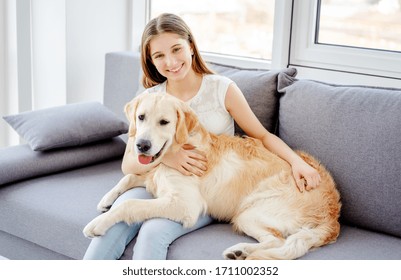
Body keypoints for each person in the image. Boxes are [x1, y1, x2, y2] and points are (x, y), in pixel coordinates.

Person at [83, 13, 321, 260]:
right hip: (160, 176)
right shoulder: (150, 98)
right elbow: (129, 164)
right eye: (159, 55)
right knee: (115, 220)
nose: (171, 61)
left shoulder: (221, 88)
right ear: (151, 61)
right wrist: (169, 158)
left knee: (153, 232)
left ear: (191, 48)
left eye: (177, 49)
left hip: (207, 189)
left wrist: (297, 162)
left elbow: (261, 135)